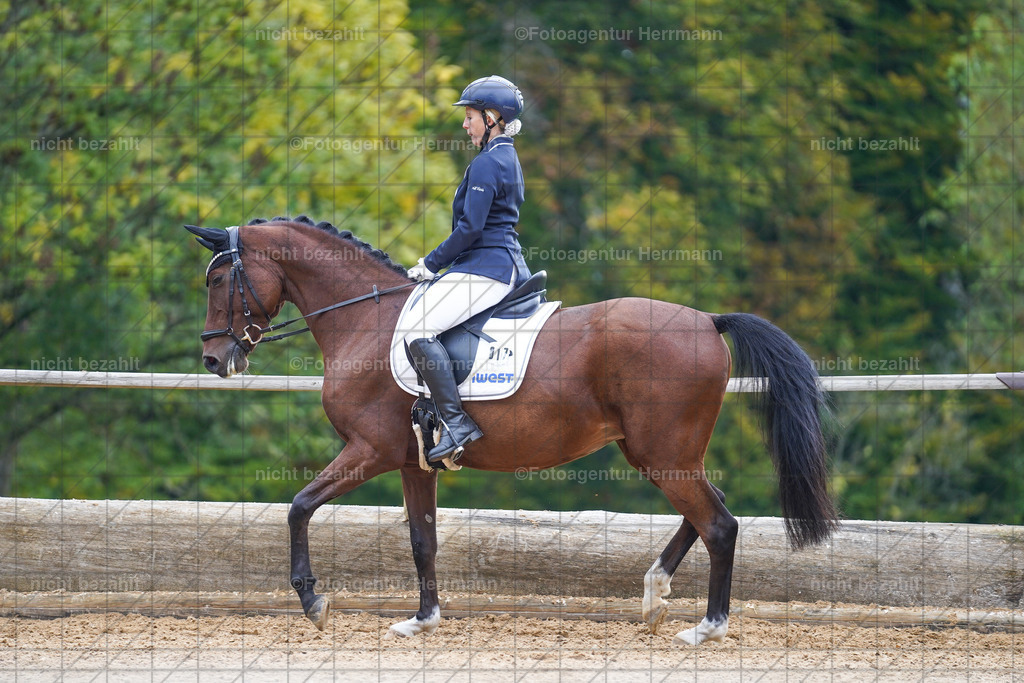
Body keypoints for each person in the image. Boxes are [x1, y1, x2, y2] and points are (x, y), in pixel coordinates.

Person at [404, 75, 531, 464]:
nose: (465, 124)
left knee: (417, 330)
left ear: (491, 118)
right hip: (496, 263)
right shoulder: (507, 157)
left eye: (470, 116)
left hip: (487, 266)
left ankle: (456, 423)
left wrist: (430, 263)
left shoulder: (487, 163)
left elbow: (470, 229)